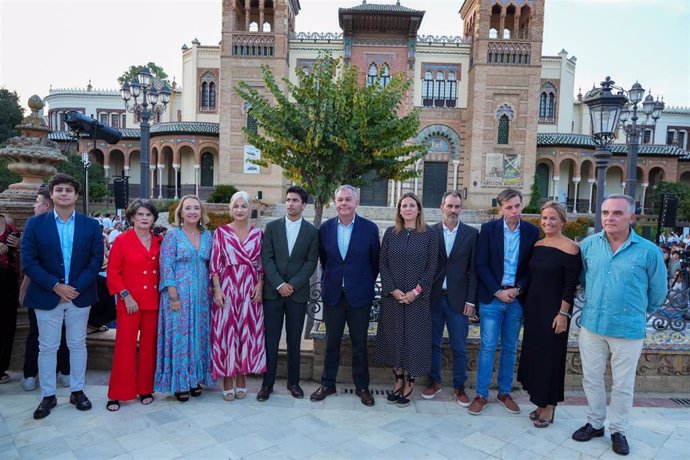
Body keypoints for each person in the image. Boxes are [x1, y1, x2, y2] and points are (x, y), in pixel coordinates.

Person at [572, 195, 667, 456]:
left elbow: (658, 293)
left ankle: (618, 430)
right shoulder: (589, 245)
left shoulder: (649, 251)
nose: (609, 218)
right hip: (592, 325)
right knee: (591, 378)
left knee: (622, 384)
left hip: (627, 330)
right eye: (604, 213)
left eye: (616, 213)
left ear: (631, 217)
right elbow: (581, 277)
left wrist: (634, 311)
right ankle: (594, 423)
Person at [21, 173, 104, 419]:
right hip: (47, 296)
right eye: (59, 190)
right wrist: (56, 286)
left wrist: (73, 287)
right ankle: (48, 395)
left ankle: (77, 391)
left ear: (76, 196)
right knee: (47, 347)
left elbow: (95, 260)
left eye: (69, 190)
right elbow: (28, 261)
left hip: (79, 295)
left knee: (77, 344)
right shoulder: (36, 224)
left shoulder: (90, 225)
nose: (64, 194)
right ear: (52, 195)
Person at [469, 188, 539, 415]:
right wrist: (497, 291)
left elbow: (532, 266)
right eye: (509, 207)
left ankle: (504, 392)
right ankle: (481, 394)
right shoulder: (488, 230)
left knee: (510, 347)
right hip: (493, 299)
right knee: (488, 347)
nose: (514, 211)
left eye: (517, 206)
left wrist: (519, 289)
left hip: (516, 299)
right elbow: (481, 265)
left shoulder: (531, 231)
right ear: (501, 208)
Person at [310, 185, 380, 407]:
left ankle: (362, 387)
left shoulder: (369, 228)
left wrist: (361, 282)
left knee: (360, 343)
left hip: (360, 295)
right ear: (335, 202)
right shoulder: (326, 228)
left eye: (348, 200)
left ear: (356, 202)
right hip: (333, 295)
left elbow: (375, 262)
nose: (344, 204)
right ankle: (327, 383)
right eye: (340, 200)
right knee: (332, 342)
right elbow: (324, 259)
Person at [517, 201, 582, 428]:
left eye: (553, 218)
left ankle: (549, 407)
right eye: (544, 218)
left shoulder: (571, 248)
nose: (548, 222)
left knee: (550, 358)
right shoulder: (538, 245)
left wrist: (563, 313)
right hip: (534, 310)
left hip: (555, 312)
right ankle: (539, 402)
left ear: (563, 221)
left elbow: (569, 285)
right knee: (536, 357)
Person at [375, 193, 437, 407]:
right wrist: (392, 290)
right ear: (399, 210)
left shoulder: (429, 234)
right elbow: (382, 264)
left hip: (417, 300)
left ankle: (410, 381)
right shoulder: (391, 234)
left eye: (412, 205)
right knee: (394, 338)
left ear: (418, 209)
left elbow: (431, 268)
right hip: (393, 299)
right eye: (404, 206)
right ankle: (398, 379)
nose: (408, 209)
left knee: (413, 339)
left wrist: (415, 291)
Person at [258, 186, 319, 401]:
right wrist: (278, 284)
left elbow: (311, 261)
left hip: (297, 294)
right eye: (288, 200)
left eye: (295, 201)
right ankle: (267, 384)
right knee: (271, 340)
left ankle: (294, 383)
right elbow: (267, 258)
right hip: (273, 294)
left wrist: (292, 284)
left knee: (294, 340)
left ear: (303, 205)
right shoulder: (272, 227)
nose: (290, 204)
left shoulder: (311, 232)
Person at [422, 191, 478, 407]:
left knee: (459, 346)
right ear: (441, 207)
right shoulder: (429, 232)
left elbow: (474, 271)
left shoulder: (472, 234)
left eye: (457, 206)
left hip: (459, 301)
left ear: (461, 208)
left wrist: (471, 301)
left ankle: (459, 386)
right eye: (449, 206)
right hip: (434, 299)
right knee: (432, 343)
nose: (453, 210)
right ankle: (434, 382)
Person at [155, 195, 214, 402]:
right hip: (178, 296)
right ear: (180, 212)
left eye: (196, 208)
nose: (192, 212)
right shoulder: (174, 236)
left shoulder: (208, 236)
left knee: (198, 337)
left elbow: (213, 266)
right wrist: (172, 294)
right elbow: (166, 264)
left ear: (201, 212)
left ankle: (195, 379)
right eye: (187, 208)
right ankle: (180, 383)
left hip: (201, 299)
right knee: (180, 339)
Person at [105, 200, 162, 411]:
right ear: (132, 217)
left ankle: (146, 388)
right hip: (129, 302)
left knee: (149, 348)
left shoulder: (159, 241)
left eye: (148, 214)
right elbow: (112, 273)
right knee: (124, 348)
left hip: (153, 303)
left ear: (154, 218)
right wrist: (125, 295)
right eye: (140, 214)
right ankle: (117, 393)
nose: (144, 218)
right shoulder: (122, 240)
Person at [210, 191, 266, 401]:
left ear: (249, 208)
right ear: (230, 209)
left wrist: (260, 286)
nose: (240, 210)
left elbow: (262, 264)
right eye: (236, 206)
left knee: (246, 331)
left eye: (243, 206)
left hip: (250, 288)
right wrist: (217, 289)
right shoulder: (221, 232)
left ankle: (242, 375)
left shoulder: (258, 234)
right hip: (227, 285)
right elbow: (215, 264)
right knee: (226, 331)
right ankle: (227, 376)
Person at [19, 187, 71, 391]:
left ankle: (59, 371)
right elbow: (30, 264)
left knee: (56, 333)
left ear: (46, 205)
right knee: (39, 334)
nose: (34, 206)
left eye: (37, 202)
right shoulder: (35, 226)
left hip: (59, 290)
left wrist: (24, 289)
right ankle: (32, 374)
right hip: (48, 289)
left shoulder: (42, 227)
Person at [0, 212, 20, 385]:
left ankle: (1, 368)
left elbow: (17, 251)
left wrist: (18, 244)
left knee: (7, 324)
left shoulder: (8, 221)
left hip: (8, 278)